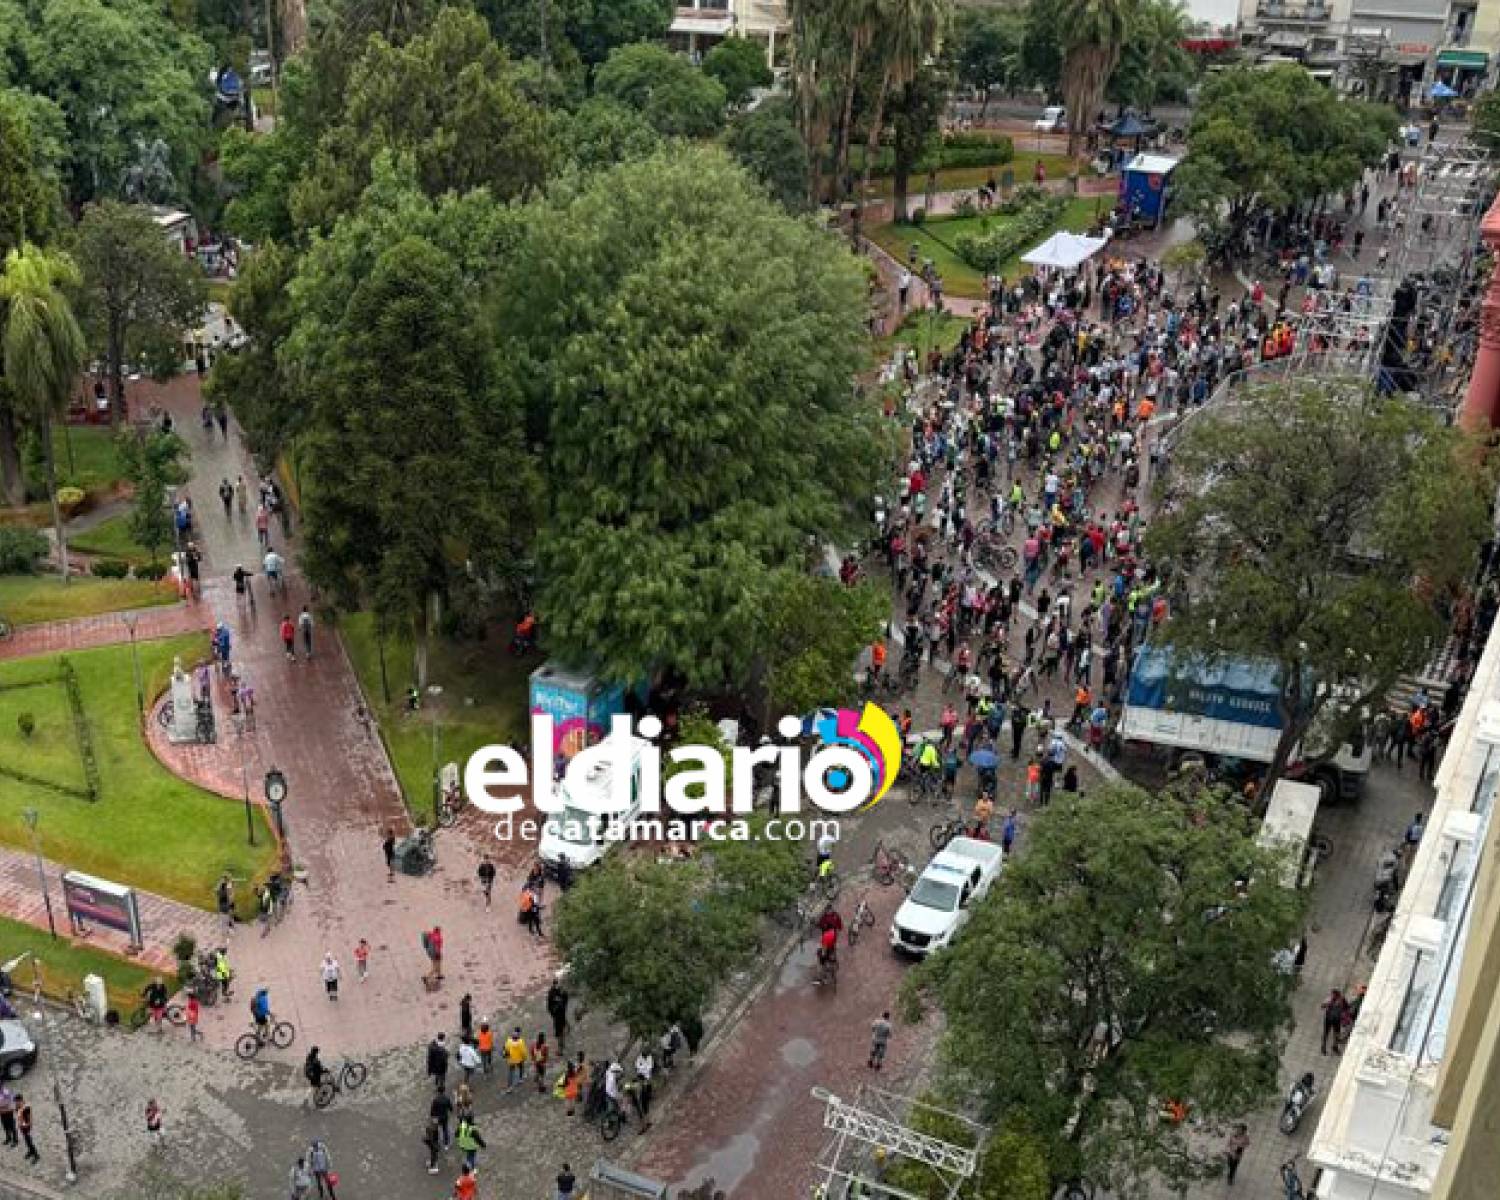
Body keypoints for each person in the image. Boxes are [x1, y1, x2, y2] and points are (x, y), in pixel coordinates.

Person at [430, 1084, 454, 1150]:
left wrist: (432, 1117)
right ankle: (446, 1144)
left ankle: (436, 1143)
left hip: (437, 1117)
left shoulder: (435, 1100)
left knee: (435, 1129)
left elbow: (432, 1110)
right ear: (444, 1091)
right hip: (444, 1117)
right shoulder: (447, 1099)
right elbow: (451, 1108)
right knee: (445, 1129)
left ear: (438, 1091)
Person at [547, 978, 570, 1047]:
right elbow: (549, 1003)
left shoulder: (562, 991)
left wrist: (562, 1002)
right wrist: (552, 1012)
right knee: (558, 1027)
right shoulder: (551, 992)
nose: (556, 985)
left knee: (561, 1027)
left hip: (561, 1012)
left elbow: (566, 999)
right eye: (555, 984)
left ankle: (561, 1042)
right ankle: (560, 1041)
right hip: (556, 1013)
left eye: (557, 984)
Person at [504, 1028, 528, 1092]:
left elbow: (506, 1049)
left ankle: (509, 1087)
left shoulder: (508, 1041)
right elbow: (523, 1051)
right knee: (521, 1068)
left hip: (511, 1060)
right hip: (519, 1059)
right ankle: (520, 1078)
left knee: (510, 1073)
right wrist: (525, 1057)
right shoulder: (520, 1042)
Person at [16, 1093, 36, 1162]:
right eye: (16, 1102)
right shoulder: (18, 1107)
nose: (16, 1103)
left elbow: (29, 1118)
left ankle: (36, 1155)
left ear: (21, 1100)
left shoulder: (27, 1107)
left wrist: (28, 1125)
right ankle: (30, 1151)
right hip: (22, 1127)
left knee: (30, 1141)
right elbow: (19, 1116)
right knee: (27, 1141)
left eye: (17, 1101)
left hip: (27, 1127)